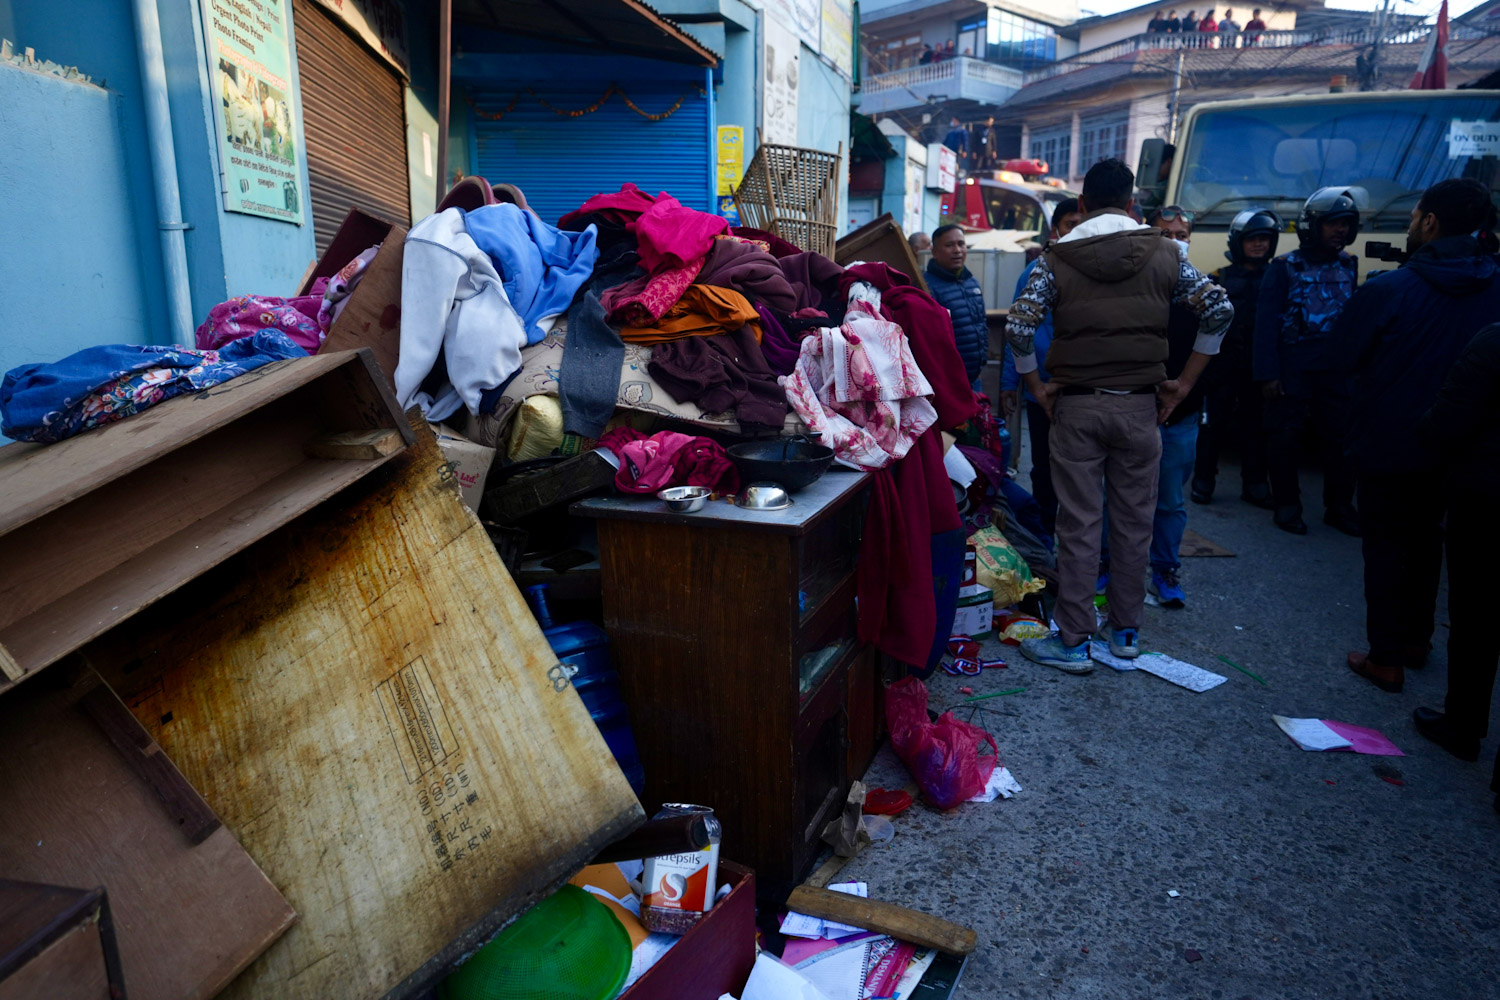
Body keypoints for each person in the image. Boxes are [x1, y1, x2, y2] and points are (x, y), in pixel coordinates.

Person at [1005, 159, 1232, 672]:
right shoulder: (1168, 252)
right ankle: (1126, 635)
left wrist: (1038, 386)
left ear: (1081, 205)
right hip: (1141, 408)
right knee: (1135, 524)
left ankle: (1072, 642)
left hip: (1078, 407)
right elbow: (1220, 311)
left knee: (1079, 524)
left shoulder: (1056, 257)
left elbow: (1020, 329)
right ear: (1133, 205)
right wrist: (1185, 383)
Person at [1332, 178, 1500, 696]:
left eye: (1412, 217)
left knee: (1385, 547)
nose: (1409, 226)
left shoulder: (1390, 290)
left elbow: (1343, 358)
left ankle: (1386, 657)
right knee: (1430, 542)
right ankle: (1416, 640)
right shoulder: (1495, 285)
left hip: (1392, 442)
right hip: (1466, 451)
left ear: (1428, 222)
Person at [1100, 206, 1217, 609]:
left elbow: (1220, 336)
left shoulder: (1202, 291)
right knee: (1111, 496)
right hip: (1129, 408)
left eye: (1182, 234)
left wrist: (1184, 389)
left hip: (1180, 414)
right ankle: (1103, 567)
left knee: (1169, 501)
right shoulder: (1127, 285)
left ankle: (1165, 571)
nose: (1174, 242)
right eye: (1165, 234)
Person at [1413, 321, 1500, 813]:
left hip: (1488, 497)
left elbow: (1447, 420)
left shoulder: (1492, 341)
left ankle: (1464, 725)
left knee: (1477, 618)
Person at [1253, 186, 1361, 536]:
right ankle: (1287, 506)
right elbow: (1266, 325)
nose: (1340, 230)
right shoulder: (1284, 268)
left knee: (1342, 441)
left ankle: (1340, 507)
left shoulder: (1349, 264)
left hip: (1336, 369)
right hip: (1292, 367)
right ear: (1312, 226)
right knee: (1285, 439)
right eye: (1333, 223)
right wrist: (1268, 374)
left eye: (1346, 223)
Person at [1001, 197, 1085, 536]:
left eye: (1082, 224)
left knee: (1083, 472)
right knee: (1044, 469)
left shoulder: (1099, 271)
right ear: (1056, 229)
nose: (1075, 232)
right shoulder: (1034, 273)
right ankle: (1045, 537)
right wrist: (1012, 382)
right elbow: (1017, 329)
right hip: (1043, 392)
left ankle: (1082, 544)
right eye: (1069, 225)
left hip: (1083, 392)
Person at [1193, 209, 1278, 507]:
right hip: (1223, 366)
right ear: (1238, 241)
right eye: (1252, 239)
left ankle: (1255, 484)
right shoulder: (1219, 277)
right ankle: (1203, 480)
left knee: (1256, 428)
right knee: (1212, 426)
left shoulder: (1278, 278)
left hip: (1259, 367)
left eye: (1264, 239)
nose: (1259, 245)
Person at [927, 225, 988, 388]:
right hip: (946, 381)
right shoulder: (926, 287)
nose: (957, 250)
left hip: (974, 378)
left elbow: (981, 324)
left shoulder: (972, 282)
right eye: (949, 245)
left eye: (961, 244)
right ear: (934, 252)